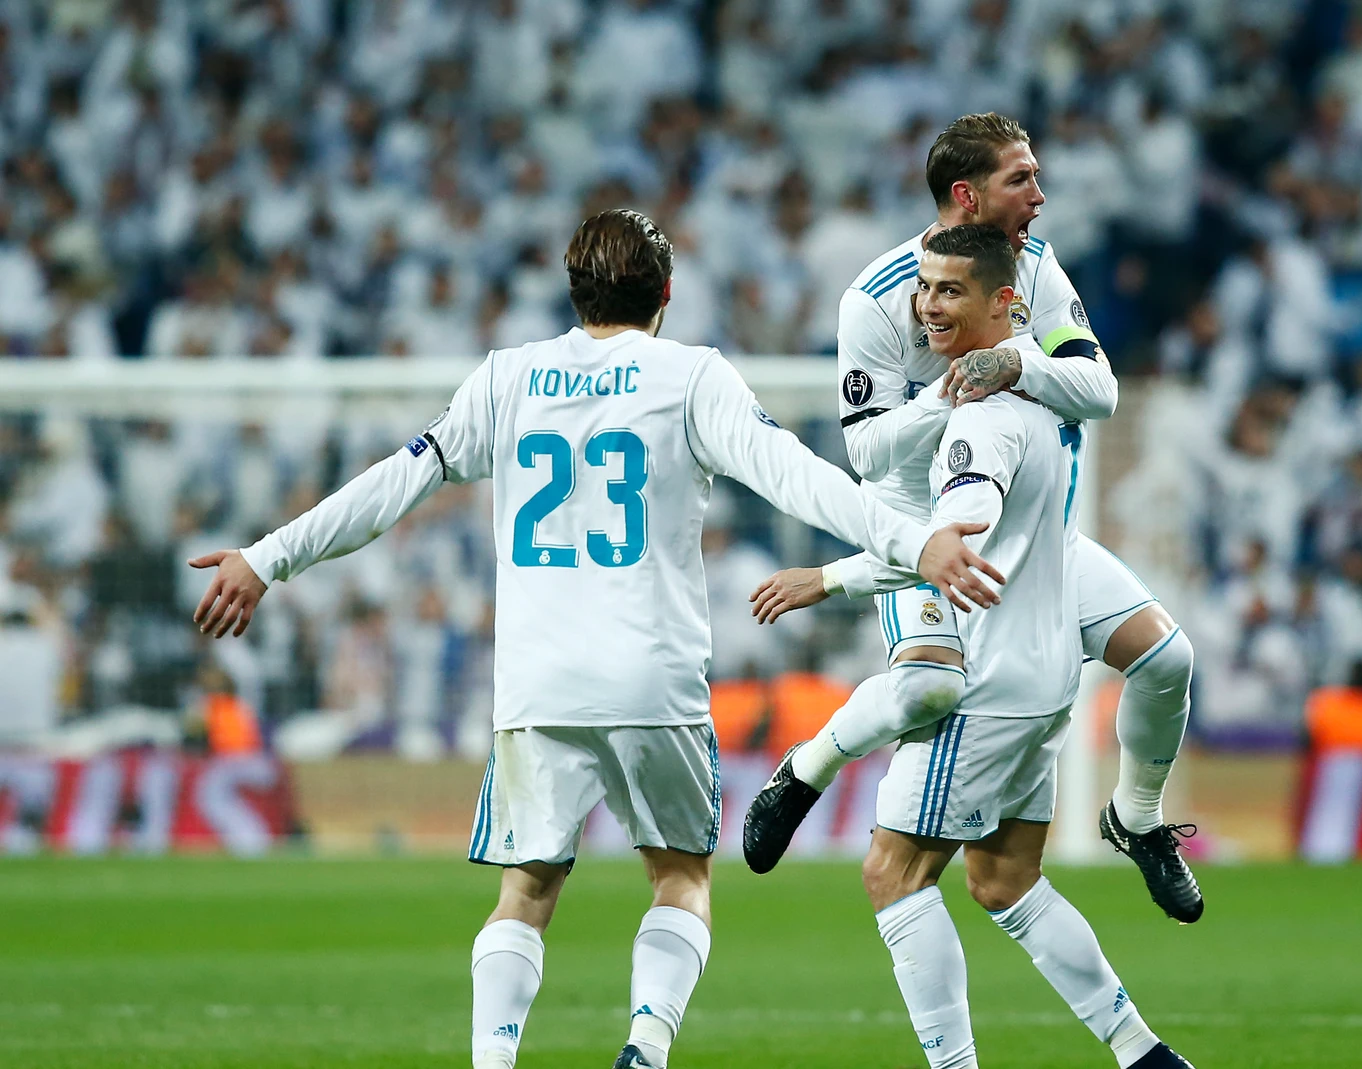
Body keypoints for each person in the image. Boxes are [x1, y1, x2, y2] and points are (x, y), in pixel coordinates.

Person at [187, 208, 1006, 1069]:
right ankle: (645, 1048)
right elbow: (799, 481)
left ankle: (493, 1061)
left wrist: (266, 556)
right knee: (681, 876)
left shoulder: (508, 378)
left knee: (526, 888)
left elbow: (397, 482)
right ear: (666, 293)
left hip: (538, 682)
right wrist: (918, 541)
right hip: (652, 676)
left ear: (573, 289)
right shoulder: (691, 376)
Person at [743, 113, 1202, 923]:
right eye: (1020, 179)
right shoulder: (875, 302)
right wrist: (949, 392)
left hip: (1023, 524)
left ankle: (1136, 818)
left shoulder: (1035, 269)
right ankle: (806, 767)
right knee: (926, 689)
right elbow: (871, 457)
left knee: (1167, 657)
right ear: (968, 195)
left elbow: (1099, 390)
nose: (1040, 194)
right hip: (917, 524)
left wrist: (1014, 359)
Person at [840, 224, 1195, 1069]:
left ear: (1005, 305)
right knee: (1005, 882)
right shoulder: (1032, 403)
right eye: (926, 289)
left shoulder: (986, 415)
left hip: (990, 679)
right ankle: (1144, 1053)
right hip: (1047, 674)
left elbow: (967, 506)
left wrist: (843, 575)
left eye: (949, 292)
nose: (928, 304)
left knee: (892, 874)